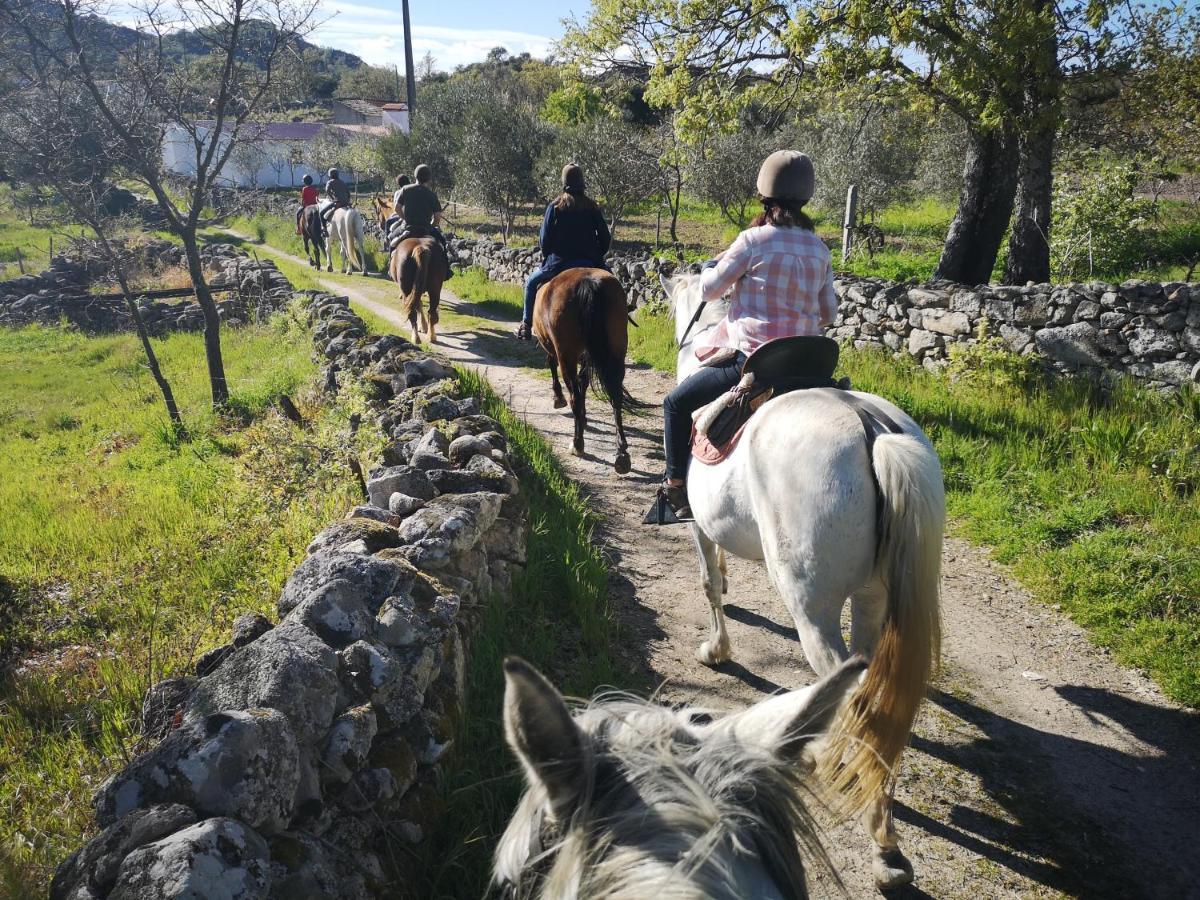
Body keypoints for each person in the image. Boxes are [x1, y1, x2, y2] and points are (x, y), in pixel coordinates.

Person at [655, 150, 838, 521]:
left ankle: (675, 487)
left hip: (754, 360)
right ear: (805, 199)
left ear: (764, 196)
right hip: (808, 363)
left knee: (674, 404)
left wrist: (712, 268)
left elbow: (708, 292)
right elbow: (829, 314)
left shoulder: (751, 241)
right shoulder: (820, 249)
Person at [516, 163, 611, 340]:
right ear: (582, 183)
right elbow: (606, 238)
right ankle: (619, 315)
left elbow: (544, 240)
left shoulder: (555, 207)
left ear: (564, 182)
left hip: (559, 263)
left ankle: (526, 325)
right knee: (614, 285)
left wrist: (548, 256)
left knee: (530, 283)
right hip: (589, 262)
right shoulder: (592, 207)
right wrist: (597, 256)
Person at [388, 164, 452, 279]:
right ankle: (447, 271)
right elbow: (437, 217)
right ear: (429, 178)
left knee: (391, 239)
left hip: (407, 228)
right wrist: (431, 226)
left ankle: (391, 268)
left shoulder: (405, 189)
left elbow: (397, 208)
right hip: (425, 230)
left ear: (415, 176)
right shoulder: (431, 195)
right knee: (442, 244)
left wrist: (404, 218)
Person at [382, 173, 410, 240]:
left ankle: (387, 242)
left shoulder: (398, 192)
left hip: (402, 216)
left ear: (399, 184)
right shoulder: (414, 190)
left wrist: (403, 218)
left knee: (388, 221)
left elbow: (396, 208)